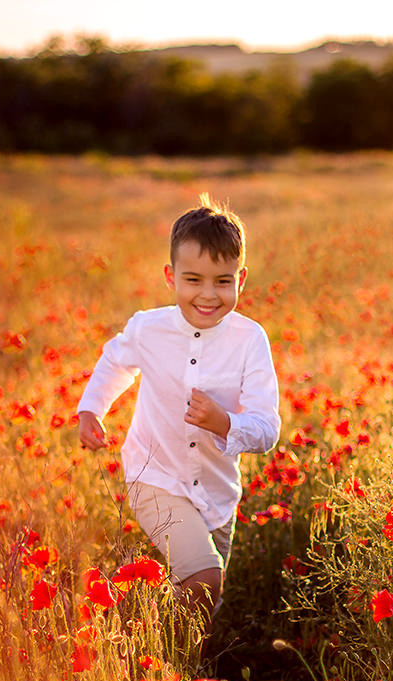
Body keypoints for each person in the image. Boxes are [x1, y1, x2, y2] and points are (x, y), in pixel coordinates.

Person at [77, 193, 281, 632]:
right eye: (193, 280)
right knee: (204, 578)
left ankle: (175, 668)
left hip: (217, 492)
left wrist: (226, 424)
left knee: (207, 598)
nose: (208, 295)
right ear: (170, 276)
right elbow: (116, 361)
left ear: (241, 279)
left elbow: (267, 428)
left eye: (223, 282)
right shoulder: (149, 328)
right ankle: (153, 662)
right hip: (155, 476)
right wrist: (91, 409)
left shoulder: (250, 341)